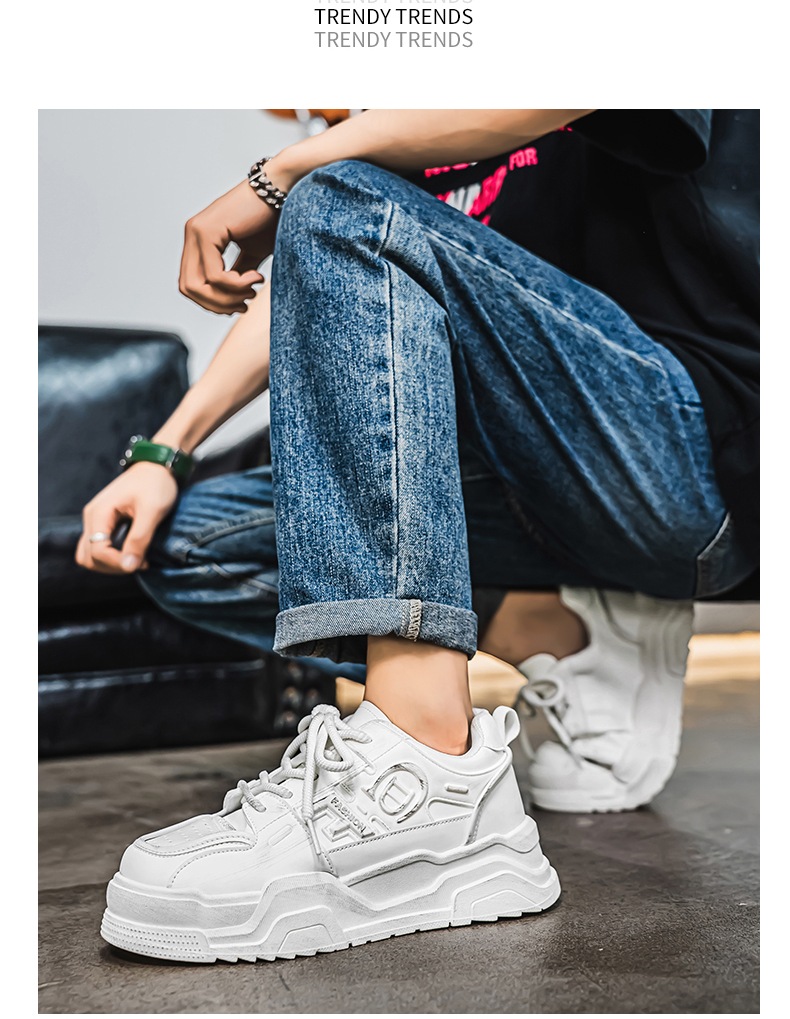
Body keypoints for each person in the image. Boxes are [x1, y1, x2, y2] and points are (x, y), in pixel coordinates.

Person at [77, 109, 759, 962]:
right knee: (186, 542)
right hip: (532, 486)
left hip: (687, 464)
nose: (323, 110)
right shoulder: (405, 168)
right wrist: (164, 452)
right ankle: (572, 638)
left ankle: (427, 769)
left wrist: (286, 173)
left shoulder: (468, 120)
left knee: (341, 201)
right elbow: (319, 290)